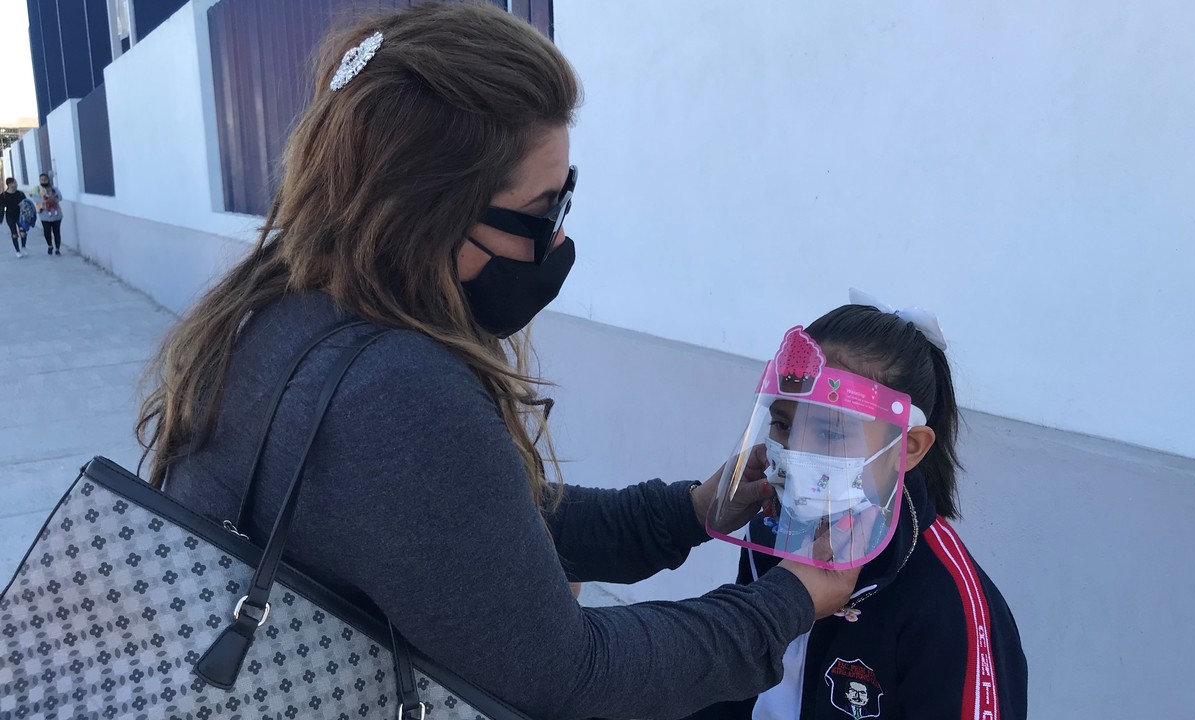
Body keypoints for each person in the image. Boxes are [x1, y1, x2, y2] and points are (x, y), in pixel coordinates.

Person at [136, 4, 859, 718]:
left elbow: (474, 538)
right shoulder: (393, 390)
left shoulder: (280, 307)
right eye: (543, 212)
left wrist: (690, 512)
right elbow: (566, 675)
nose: (558, 242)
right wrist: (788, 602)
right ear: (425, 212)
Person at [689, 294, 1028, 720]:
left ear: (907, 447)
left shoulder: (945, 601)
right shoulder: (769, 535)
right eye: (782, 423)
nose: (794, 450)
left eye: (830, 432)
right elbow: (731, 680)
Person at [32, 173, 62, 255]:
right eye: (41, 180)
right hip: (44, 214)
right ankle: (50, 245)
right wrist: (45, 200)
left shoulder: (54, 189)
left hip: (56, 214)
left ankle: (57, 249)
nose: (43, 181)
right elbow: (35, 198)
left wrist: (54, 198)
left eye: (45, 179)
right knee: (47, 232)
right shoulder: (37, 189)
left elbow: (60, 197)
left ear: (48, 180)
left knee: (57, 232)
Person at [2, 177, 27, 258]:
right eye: (14, 183)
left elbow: (26, 204)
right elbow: (1, 207)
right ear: (9, 184)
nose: (16, 184)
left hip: (20, 216)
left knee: (23, 232)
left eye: (16, 182)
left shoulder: (20, 194)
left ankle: (23, 247)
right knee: (14, 233)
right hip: (10, 216)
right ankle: (17, 251)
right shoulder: (3, 195)